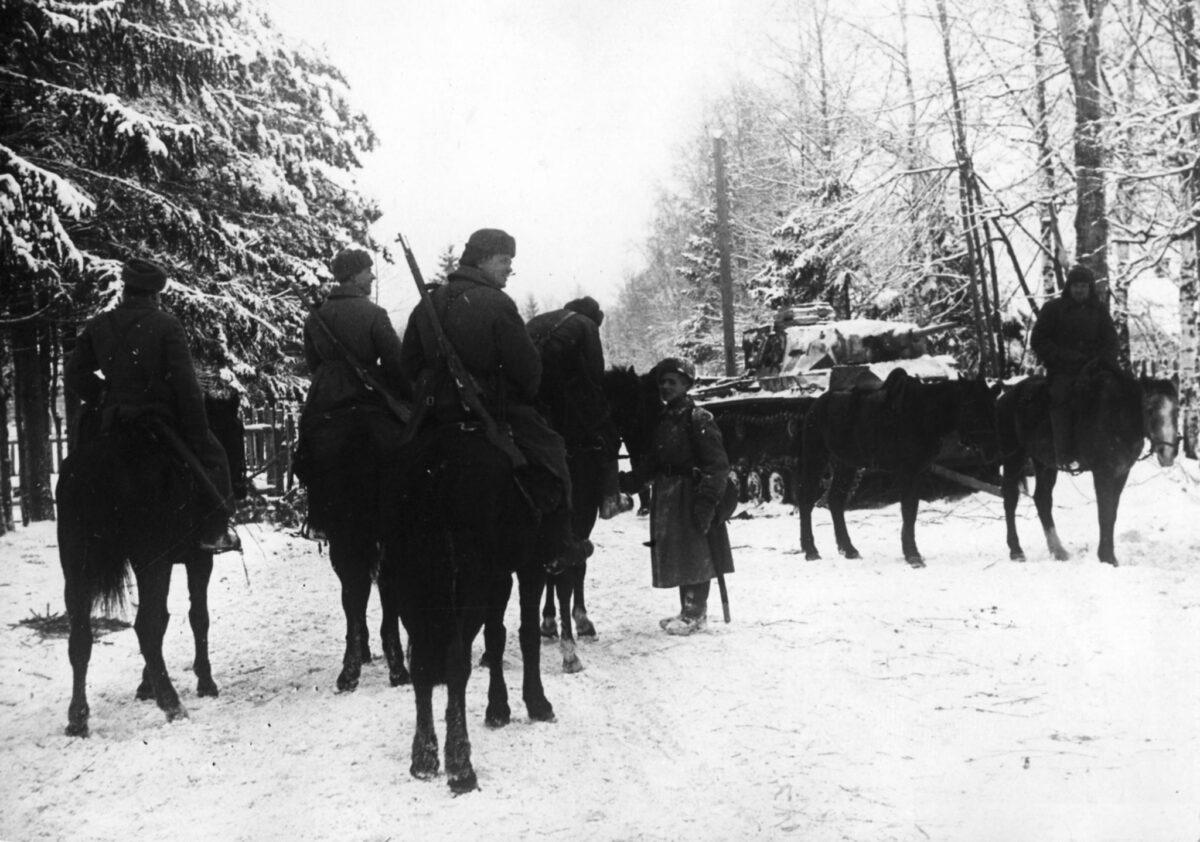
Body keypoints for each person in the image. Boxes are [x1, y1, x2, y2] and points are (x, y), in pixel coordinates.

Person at [399, 228, 591, 571]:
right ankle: (559, 545)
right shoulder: (496, 302)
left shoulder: (428, 302)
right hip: (492, 410)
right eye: (505, 261)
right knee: (553, 451)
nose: (508, 270)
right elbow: (528, 369)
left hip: (436, 416)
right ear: (484, 259)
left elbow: (409, 363)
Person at [64, 258, 240, 553]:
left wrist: (105, 395)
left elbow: (74, 373)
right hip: (159, 418)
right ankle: (215, 531)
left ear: (126, 289)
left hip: (114, 418)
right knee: (217, 456)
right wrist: (198, 434)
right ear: (155, 294)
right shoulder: (167, 325)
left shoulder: (100, 325)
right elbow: (186, 387)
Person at [298, 246, 410, 534]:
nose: (372, 276)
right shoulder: (374, 313)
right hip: (367, 397)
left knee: (309, 451)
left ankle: (317, 517)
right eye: (367, 271)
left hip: (324, 401)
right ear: (353, 275)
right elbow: (396, 363)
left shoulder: (315, 316)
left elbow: (314, 364)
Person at [621, 357, 734, 636]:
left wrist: (706, 503)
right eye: (662, 382)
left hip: (691, 493)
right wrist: (626, 482)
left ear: (687, 384)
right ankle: (687, 610)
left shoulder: (699, 418)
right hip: (668, 494)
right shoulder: (663, 420)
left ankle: (696, 613)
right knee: (682, 552)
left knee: (697, 552)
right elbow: (653, 461)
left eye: (672, 382)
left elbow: (717, 466)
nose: (665, 387)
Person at [526, 295, 625, 513]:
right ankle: (611, 499)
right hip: (559, 392)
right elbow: (594, 372)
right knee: (608, 436)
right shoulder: (586, 324)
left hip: (527, 390)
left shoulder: (540, 319)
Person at [1030, 264, 1120, 470]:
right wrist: (1065, 357)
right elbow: (1039, 340)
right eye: (1076, 286)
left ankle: (1114, 447)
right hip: (1063, 370)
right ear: (1069, 287)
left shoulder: (1099, 311)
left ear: (1090, 288)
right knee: (1062, 397)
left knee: (1115, 393)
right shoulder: (1053, 309)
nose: (1080, 290)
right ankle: (1065, 452)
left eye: (1084, 286)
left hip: (1096, 369)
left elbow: (1112, 341)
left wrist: (1102, 361)